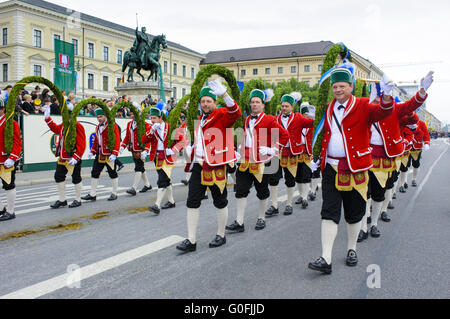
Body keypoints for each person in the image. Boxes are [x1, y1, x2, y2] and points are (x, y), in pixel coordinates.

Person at [307, 66, 395, 274]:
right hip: (330, 167)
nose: (338, 90)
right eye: (335, 86)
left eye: (342, 86)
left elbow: (383, 112)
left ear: (351, 86)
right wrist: (317, 158)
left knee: (354, 213)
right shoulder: (328, 108)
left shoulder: (364, 105)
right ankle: (325, 258)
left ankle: (351, 249)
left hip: (355, 168)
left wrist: (387, 95)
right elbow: (323, 134)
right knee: (329, 212)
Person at [359, 72, 433, 241]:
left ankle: (374, 224)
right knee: (364, 194)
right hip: (364, 158)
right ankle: (362, 225)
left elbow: (411, 106)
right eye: (376, 100)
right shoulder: (364, 110)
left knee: (379, 193)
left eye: (381, 100)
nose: (378, 104)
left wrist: (422, 91)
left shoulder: (394, 109)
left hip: (385, 157)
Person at [176, 79, 241, 252]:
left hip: (216, 165)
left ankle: (221, 234)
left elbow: (235, 113)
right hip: (198, 165)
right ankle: (191, 240)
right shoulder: (199, 119)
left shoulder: (221, 114)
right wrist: (192, 148)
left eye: (209, 101)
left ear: (215, 102)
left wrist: (225, 94)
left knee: (220, 201)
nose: (205, 104)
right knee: (192, 201)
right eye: (203, 101)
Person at [226, 89, 289, 232]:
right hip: (246, 160)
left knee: (261, 191)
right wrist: (240, 148)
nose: (254, 105)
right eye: (252, 102)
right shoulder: (247, 119)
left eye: (257, 102)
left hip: (262, 161)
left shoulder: (270, 119)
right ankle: (239, 222)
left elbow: (284, 136)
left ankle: (261, 217)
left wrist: (272, 150)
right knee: (241, 190)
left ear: (263, 105)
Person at [266, 93, 314, 217]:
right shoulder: (275, 119)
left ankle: (289, 204)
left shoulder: (298, 117)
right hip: (277, 152)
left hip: (291, 153)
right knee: (273, 179)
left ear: (292, 107)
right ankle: (274, 205)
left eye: (287, 106)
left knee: (290, 179)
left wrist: (320, 116)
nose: (284, 108)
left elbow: (311, 123)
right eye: (282, 106)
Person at [142, 107, 186, 214]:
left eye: (154, 118)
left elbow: (183, 141)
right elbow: (144, 140)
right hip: (157, 157)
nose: (152, 120)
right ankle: (171, 201)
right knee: (166, 180)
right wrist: (152, 130)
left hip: (167, 157)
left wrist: (172, 150)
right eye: (151, 118)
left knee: (161, 180)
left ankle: (157, 205)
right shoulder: (152, 128)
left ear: (160, 118)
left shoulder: (169, 127)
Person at [44, 103, 86, 208]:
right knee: (58, 176)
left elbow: (82, 143)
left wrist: (77, 157)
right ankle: (62, 199)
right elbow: (55, 129)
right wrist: (47, 119)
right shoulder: (64, 124)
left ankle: (78, 199)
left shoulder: (78, 125)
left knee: (76, 178)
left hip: (73, 157)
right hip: (63, 157)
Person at [82, 108, 121, 202]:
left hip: (109, 154)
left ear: (106, 116)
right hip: (100, 153)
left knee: (112, 173)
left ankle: (114, 193)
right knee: (94, 172)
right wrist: (92, 151)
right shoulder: (97, 127)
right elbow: (96, 140)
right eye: (97, 117)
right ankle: (92, 194)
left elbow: (117, 140)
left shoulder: (112, 126)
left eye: (101, 116)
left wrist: (115, 153)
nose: (99, 118)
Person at [120, 111, 152, 196]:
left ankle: (134, 188)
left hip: (141, 150)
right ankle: (147, 185)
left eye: (134, 113)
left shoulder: (145, 125)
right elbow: (127, 136)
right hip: (133, 149)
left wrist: (146, 150)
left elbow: (148, 138)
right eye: (131, 114)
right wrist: (122, 146)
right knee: (141, 167)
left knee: (138, 167)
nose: (132, 115)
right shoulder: (129, 124)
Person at [0, 98, 22, 222]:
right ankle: (1, 208)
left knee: (8, 185)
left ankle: (10, 211)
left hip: (7, 159)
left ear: (3, 109)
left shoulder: (10, 123)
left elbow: (17, 142)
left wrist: (12, 157)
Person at [408, 119, 431, 187]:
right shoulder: (404, 121)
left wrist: (427, 143)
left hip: (417, 147)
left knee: (416, 164)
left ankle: (414, 179)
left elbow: (426, 134)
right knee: (404, 166)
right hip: (406, 147)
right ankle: (403, 183)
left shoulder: (421, 123)